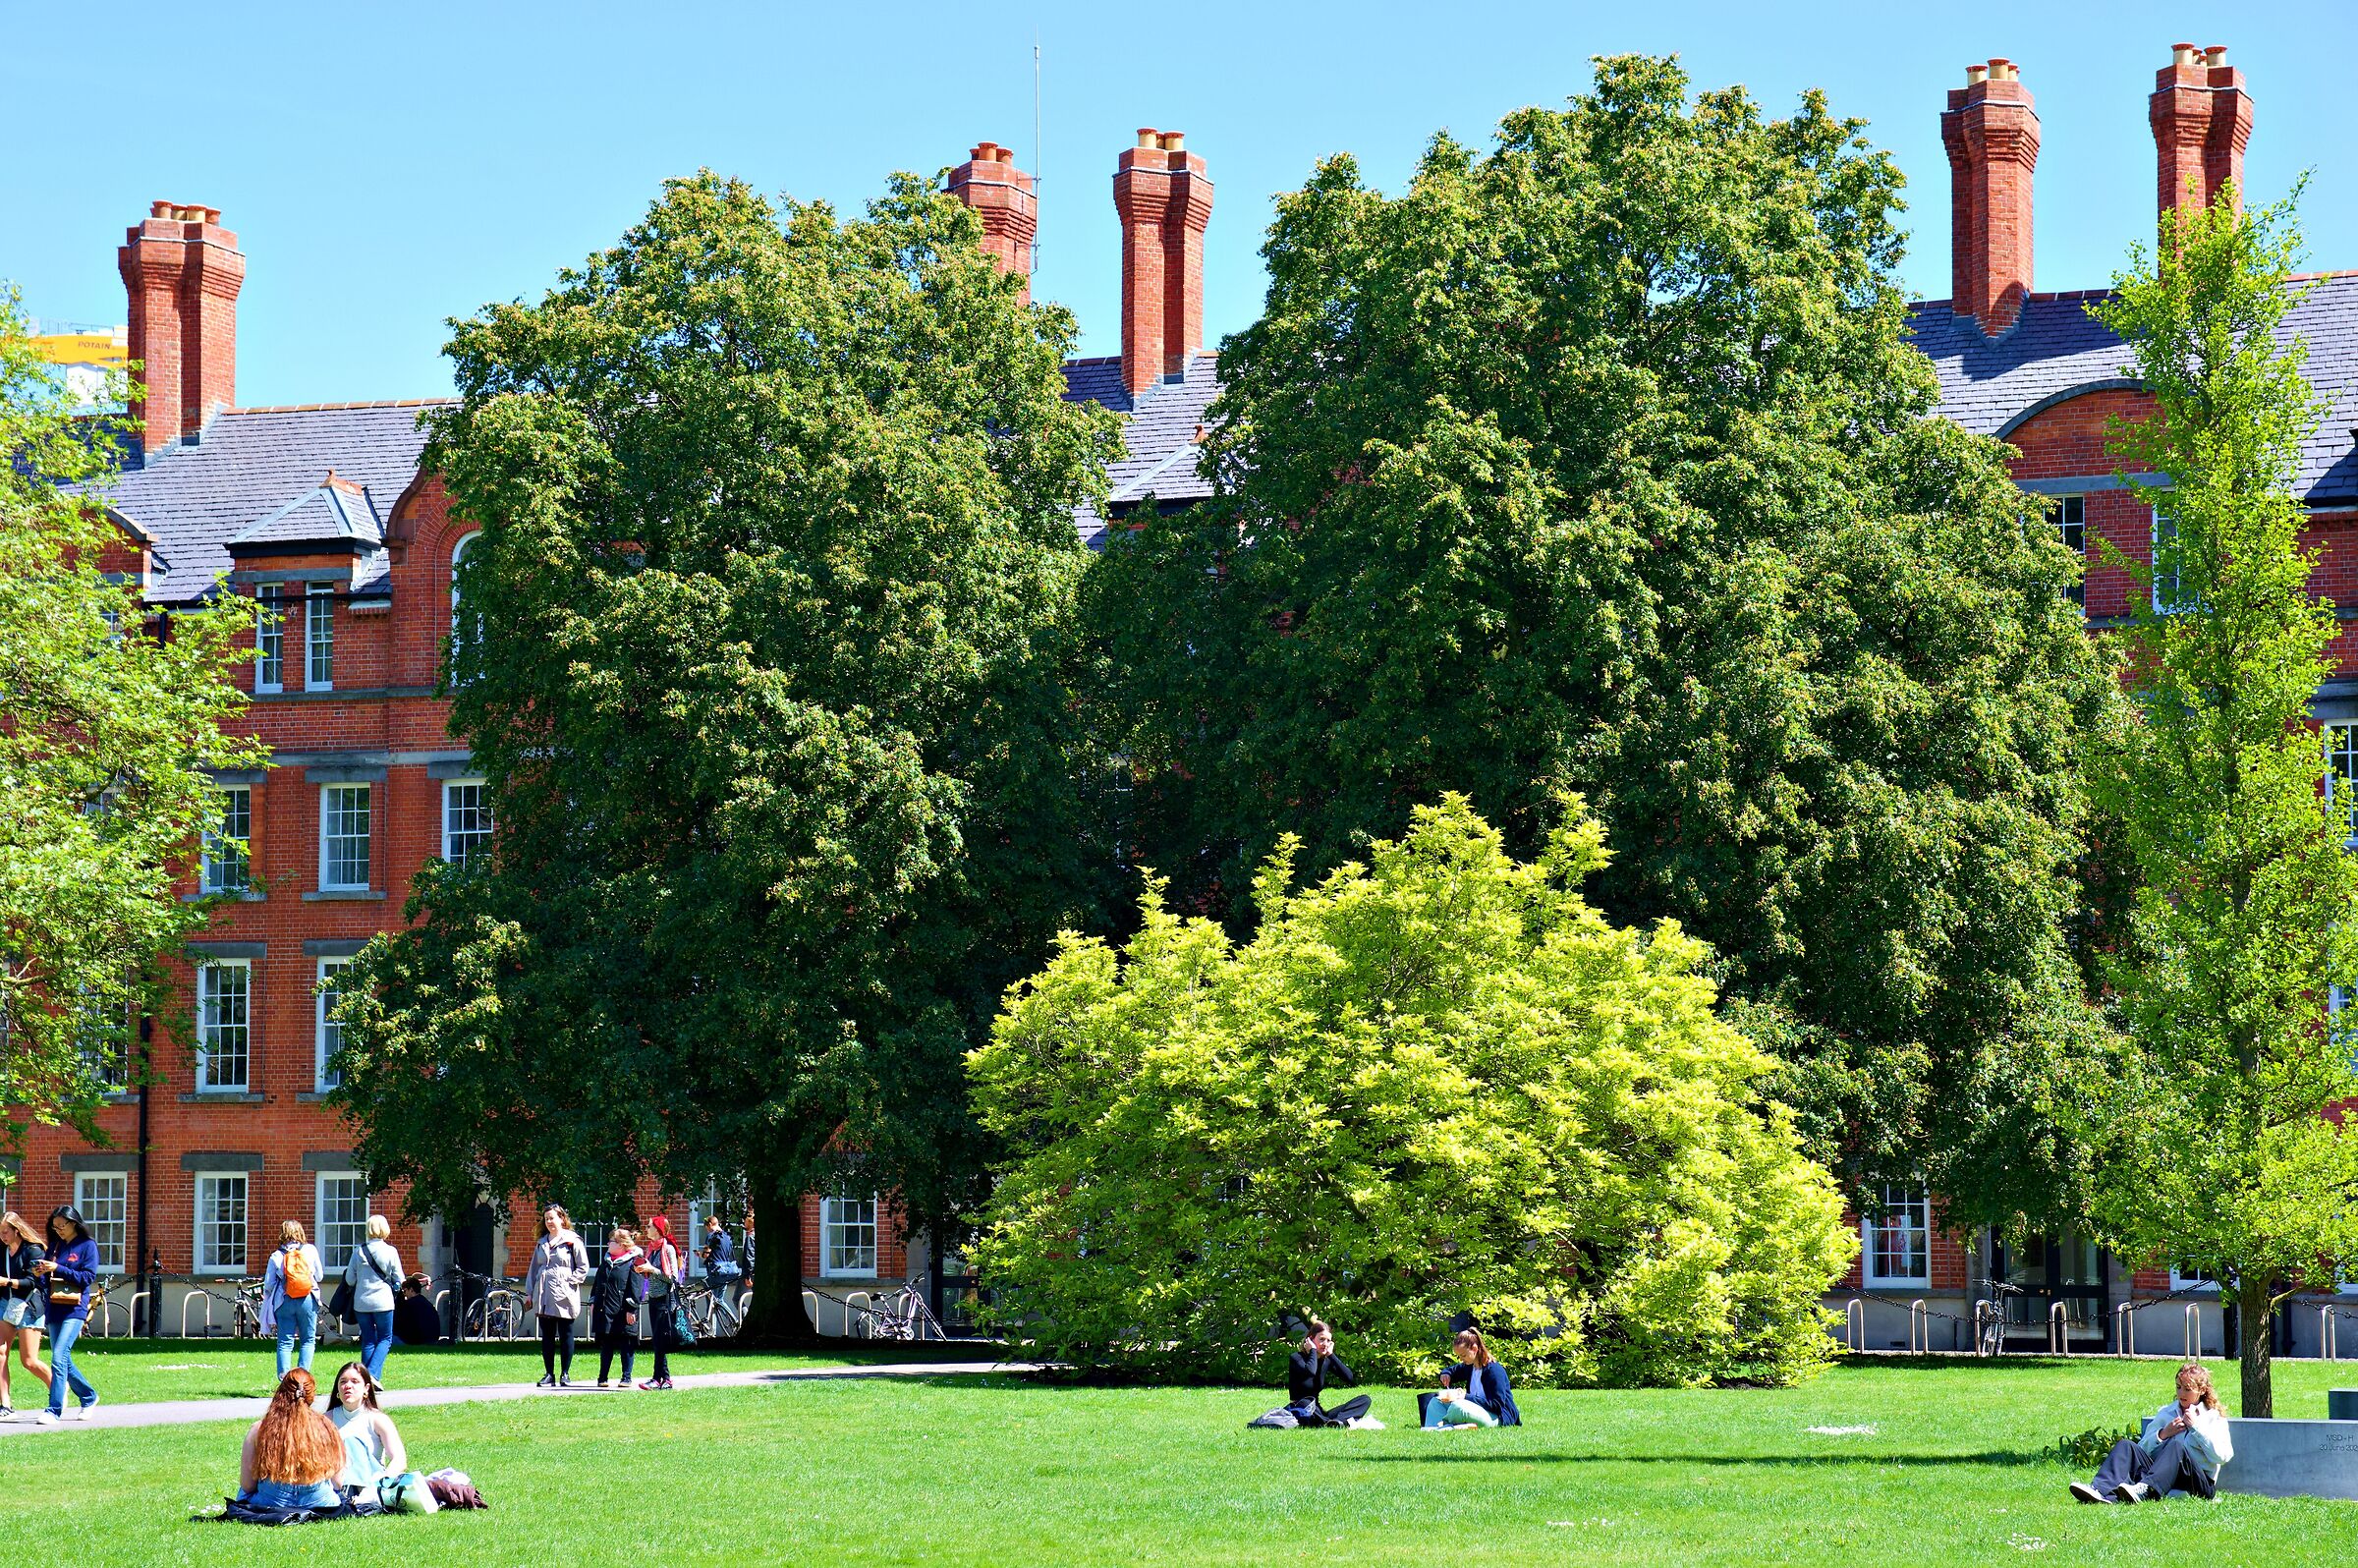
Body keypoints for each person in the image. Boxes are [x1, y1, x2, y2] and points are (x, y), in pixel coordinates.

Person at [2070, 1362, 2235, 1504]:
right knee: (2126, 1446)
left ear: (2202, 1389)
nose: (2181, 1394)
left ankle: (2145, 1489)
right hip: (2162, 1475)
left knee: (2176, 1447)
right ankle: (2100, 1489)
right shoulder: (2166, 1413)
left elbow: (2222, 1457)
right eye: (2178, 1387)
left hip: (2198, 1482)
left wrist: (2196, 1427)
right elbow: (2142, 1450)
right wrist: (2163, 1434)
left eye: (2187, 1389)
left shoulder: (2213, 1417)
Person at [236, 1368, 346, 1511]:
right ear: (311, 1395)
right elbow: (338, 1483)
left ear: (281, 1392)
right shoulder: (327, 1426)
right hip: (320, 1500)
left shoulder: (259, 1429)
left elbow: (247, 1485)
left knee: (243, 1494)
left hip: (272, 1500)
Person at [29, 1204, 99, 1425]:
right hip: (55, 1306)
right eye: (55, 1227)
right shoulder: (55, 1246)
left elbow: (87, 1278)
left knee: (58, 1356)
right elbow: (46, 1281)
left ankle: (53, 1410)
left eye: (62, 1226)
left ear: (74, 1223)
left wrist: (57, 1268)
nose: (59, 1230)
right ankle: (89, 1396)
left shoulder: (87, 1245)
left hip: (75, 1308)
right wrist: (40, 1273)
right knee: (63, 1360)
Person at [524, 1205, 590, 1388]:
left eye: (552, 1218)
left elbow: (583, 1266)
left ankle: (565, 1374)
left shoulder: (572, 1241)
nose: (549, 1222)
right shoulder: (542, 1242)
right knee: (547, 1335)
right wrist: (529, 1292)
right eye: (546, 1219)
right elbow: (533, 1269)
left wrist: (570, 1281)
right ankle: (549, 1374)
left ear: (562, 1218)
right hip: (543, 1294)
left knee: (566, 1333)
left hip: (564, 1294)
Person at [0, 1210, 54, 1418]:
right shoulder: (2, 1251)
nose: (3, 1236)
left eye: (6, 1232)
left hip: (29, 1306)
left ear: (17, 1230)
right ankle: (6, 1405)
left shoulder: (33, 1251)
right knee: (0, 1353)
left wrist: (7, 1282)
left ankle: (57, 1389)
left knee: (29, 1361)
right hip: (6, 1304)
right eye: (0, 1232)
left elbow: (34, 1282)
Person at [323, 1361, 408, 1488]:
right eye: (343, 1382)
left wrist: (381, 1484)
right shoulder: (325, 1420)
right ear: (338, 1389)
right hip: (334, 1489)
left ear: (366, 1388)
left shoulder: (378, 1419)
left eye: (355, 1381)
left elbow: (399, 1460)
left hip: (371, 1487)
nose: (348, 1386)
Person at [259, 1219, 325, 1378]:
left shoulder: (276, 1255)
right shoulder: (310, 1250)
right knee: (308, 1340)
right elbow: (319, 1276)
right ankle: (302, 1379)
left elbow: (269, 1284)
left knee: (285, 1341)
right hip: (308, 1298)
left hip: (284, 1300)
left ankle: (285, 1380)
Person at [1422, 1327, 1522, 1428]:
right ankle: (1433, 1428)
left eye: (1463, 1355)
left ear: (1474, 1349)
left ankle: (1444, 1426)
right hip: (1474, 1411)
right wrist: (1446, 1374)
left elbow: (1496, 1406)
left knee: (1458, 1407)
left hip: (1497, 1417)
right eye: (1459, 1356)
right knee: (1436, 1402)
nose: (1461, 1359)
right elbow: (1452, 1370)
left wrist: (1464, 1396)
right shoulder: (1470, 1366)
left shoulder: (1494, 1371)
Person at [343, 1215, 403, 1384]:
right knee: (385, 1339)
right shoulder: (390, 1251)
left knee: (368, 1340)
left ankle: (364, 1380)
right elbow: (399, 1278)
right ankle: (373, 1375)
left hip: (362, 1302)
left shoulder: (358, 1251)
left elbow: (350, 1280)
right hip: (383, 1301)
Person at [1285, 1320, 1373, 1428]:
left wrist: (1331, 1355)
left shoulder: (1326, 1360)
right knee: (1306, 1402)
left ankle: (1336, 1422)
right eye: (1321, 1339)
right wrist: (1313, 1350)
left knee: (1364, 1400)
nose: (1325, 1344)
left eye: (1328, 1341)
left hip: (1319, 1412)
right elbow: (1310, 1372)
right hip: (1301, 1409)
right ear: (1311, 1339)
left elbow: (1349, 1378)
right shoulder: (1297, 1358)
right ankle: (1333, 1422)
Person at [590, 1226, 646, 1388]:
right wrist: (593, 1301)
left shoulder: (634, 1261)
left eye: (611, 1241)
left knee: (626, 1344)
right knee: (606, 1344)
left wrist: (631, 1309)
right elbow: (598, 1283)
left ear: (621, 1244)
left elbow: (636, 1287)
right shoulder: (606, 1261)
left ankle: (626, 1377)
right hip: (606, 1309)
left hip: (624, 1310)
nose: (608, 1244)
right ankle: (603, 1378)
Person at [636, 1214, 684, 1391]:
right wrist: (642, 1270)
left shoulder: (667, 1249)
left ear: (658, 1229)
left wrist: (652, 1269)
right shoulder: (652, 1249)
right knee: (657, 1340)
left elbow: (672, 1278)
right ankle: (663, 1380)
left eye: (649, 1226)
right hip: (653, 1298)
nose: (646, 1229)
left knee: (660, 1340)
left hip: (664, 1299)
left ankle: (660, 1379)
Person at [393, 1272, 441, 1347]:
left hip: (415, 1341)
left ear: (411, 1290)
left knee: (381, 1337)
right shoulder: (426, 1303)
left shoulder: (409, 1305)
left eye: (404, 1291)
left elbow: (396, 1326)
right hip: (432, 1339)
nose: (404, 1294)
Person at [701, 1213, 740, 1289]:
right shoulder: (727, 1236)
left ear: (710, 1224)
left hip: (716, 1271)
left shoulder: (711, 1235)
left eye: (707, 1228)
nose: (707, 1231)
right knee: (720, 1295)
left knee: (712, 1292)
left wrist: (699, 1254)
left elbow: (706, 1255)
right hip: (726, 1271)